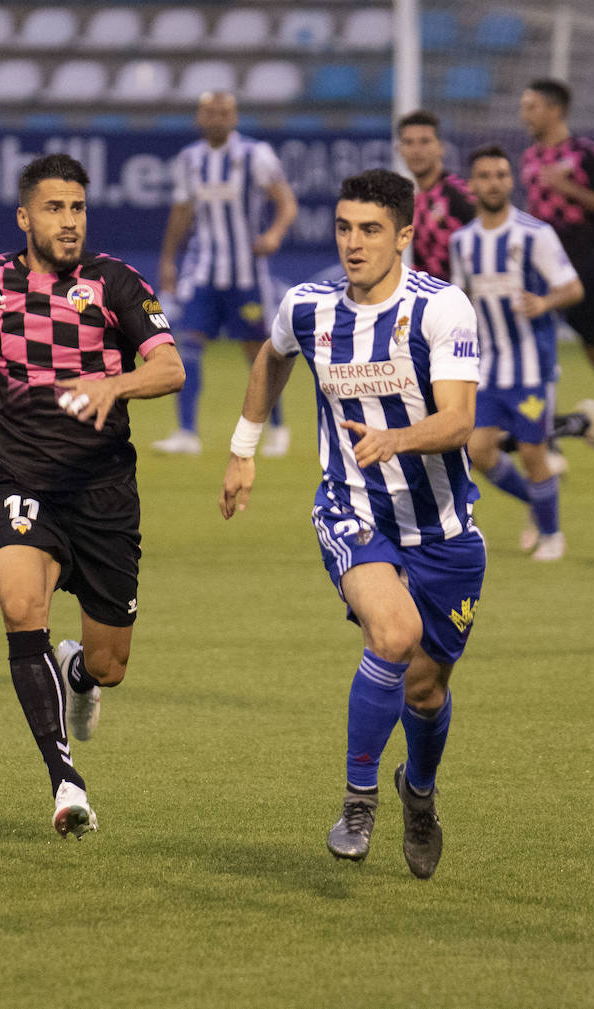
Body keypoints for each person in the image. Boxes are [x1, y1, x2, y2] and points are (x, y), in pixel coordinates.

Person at [0, 154, 184, 840]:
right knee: (21, 604)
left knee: (110, 664)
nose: (69, 221)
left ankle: (76, 670)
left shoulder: (115, 283)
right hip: (21, 483)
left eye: (78, 208)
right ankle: (65, 779)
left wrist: (114, 385)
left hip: (105, 493)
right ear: (25, 217)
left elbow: (168, 365)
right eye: (55, 208)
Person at [219, 169, 485, 880]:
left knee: (427, 690)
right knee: (392, 634)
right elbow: (270, 361)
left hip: (443, 528)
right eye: (343, 227)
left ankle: (417, 792)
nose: (353, 242)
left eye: (370, 229)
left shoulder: (442, 309)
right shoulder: (307, 306)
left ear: (405, 235)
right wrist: (243, 451)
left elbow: (460, 419)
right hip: (352, 507)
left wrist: (398, 438)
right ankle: (358, 798)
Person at [452, 145, 594, 562]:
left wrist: (544, 303)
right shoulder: (463, 242)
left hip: (531, 365)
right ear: (472, 186)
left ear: (511, 182)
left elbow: (573, 287)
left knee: (531, 452)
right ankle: (537, 502)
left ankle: (552, 535)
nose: (494, 182)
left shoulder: (534, 234)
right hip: (487, 366)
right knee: (478, 450)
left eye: (501, 175)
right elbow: (461, 299)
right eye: (485, 176)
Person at [153, 91, 298, 457]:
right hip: (203, 271)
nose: (216, 118)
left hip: (246, 274)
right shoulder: (190, 160)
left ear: (234, 118)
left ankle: (278, 428)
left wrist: (275, 234)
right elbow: (182, 213)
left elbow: (286, 203)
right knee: (187, 344)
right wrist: (169, 260)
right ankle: (187, 432)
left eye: (223, 113)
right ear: (200, 118)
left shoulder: (256, 154)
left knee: (257, 352)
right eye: (210, 113)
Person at [519, 78, 594, 459]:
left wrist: (570, 190)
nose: (526, 114)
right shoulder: (529, 157)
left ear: (555, 110)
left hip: (581, 266)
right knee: (532, 355)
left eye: (532, 106)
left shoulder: (585, 154)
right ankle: (545, 439)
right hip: (538, 270)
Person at [395, 109, 475, 282]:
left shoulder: (458, 193)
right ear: (399, 149)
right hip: (430, 302)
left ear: (441, 148)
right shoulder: (412, 202)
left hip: (462, 301)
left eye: (424, 141)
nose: (416, 150)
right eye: (409, 142)